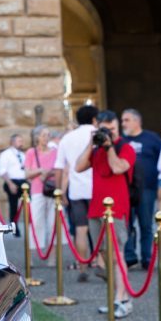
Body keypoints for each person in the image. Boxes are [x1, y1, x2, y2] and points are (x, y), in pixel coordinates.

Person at [75, 110, 136, 318]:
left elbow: (118, 168)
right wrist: (92, 143)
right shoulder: (96, 149)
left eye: (111, 129)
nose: (108, 133)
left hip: (117, 210)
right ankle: (114, 298)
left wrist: (109, 146)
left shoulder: (125, 147)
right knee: (104, 255)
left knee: (118, 254)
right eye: (104, 129)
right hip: (96, 209)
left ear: (117, 127)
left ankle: (122, 299)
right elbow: (78, 166)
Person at [55, 104, 97, 281]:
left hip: (77, 189)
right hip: (97, 189)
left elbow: (59, 167)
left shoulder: (67, 138)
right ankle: (101, 263)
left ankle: (82, 267)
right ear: (95, 119)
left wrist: (59, 191)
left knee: (80, 229)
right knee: (101, 229)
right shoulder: (98, 134)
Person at [120, 108, 161, 269]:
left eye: (127, 120)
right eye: (123, 120)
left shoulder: (152, 139)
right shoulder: (122, 140)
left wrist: (160, 187)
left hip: (147, 188)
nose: (124, 123)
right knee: (126, 224)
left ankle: (147, 258)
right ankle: (130, 257)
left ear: (137, 121)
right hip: (126, 189)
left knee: (146, 224)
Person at [23, 125, 57, 256]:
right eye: (44, 135)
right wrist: (40, 171)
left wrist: (48, 173)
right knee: (36, 222)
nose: (46, 138)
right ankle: (31, 255)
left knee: (53, 224)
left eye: (48, 135)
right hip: (37, 191)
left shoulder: (55, 151)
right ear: (37, 137)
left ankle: (53, 255)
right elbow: (26, 174)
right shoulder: (31, 152)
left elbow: (59, 170)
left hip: (52, 190)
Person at [0, 133, 27, 238]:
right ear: (12, 142)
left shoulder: (22, 155)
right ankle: (14, 228)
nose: (21, 143)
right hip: (12, 181)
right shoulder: (5, 154)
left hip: (23, 182)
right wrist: (10, 184)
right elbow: (3, 171)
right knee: (13, 206)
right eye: (19, 141)